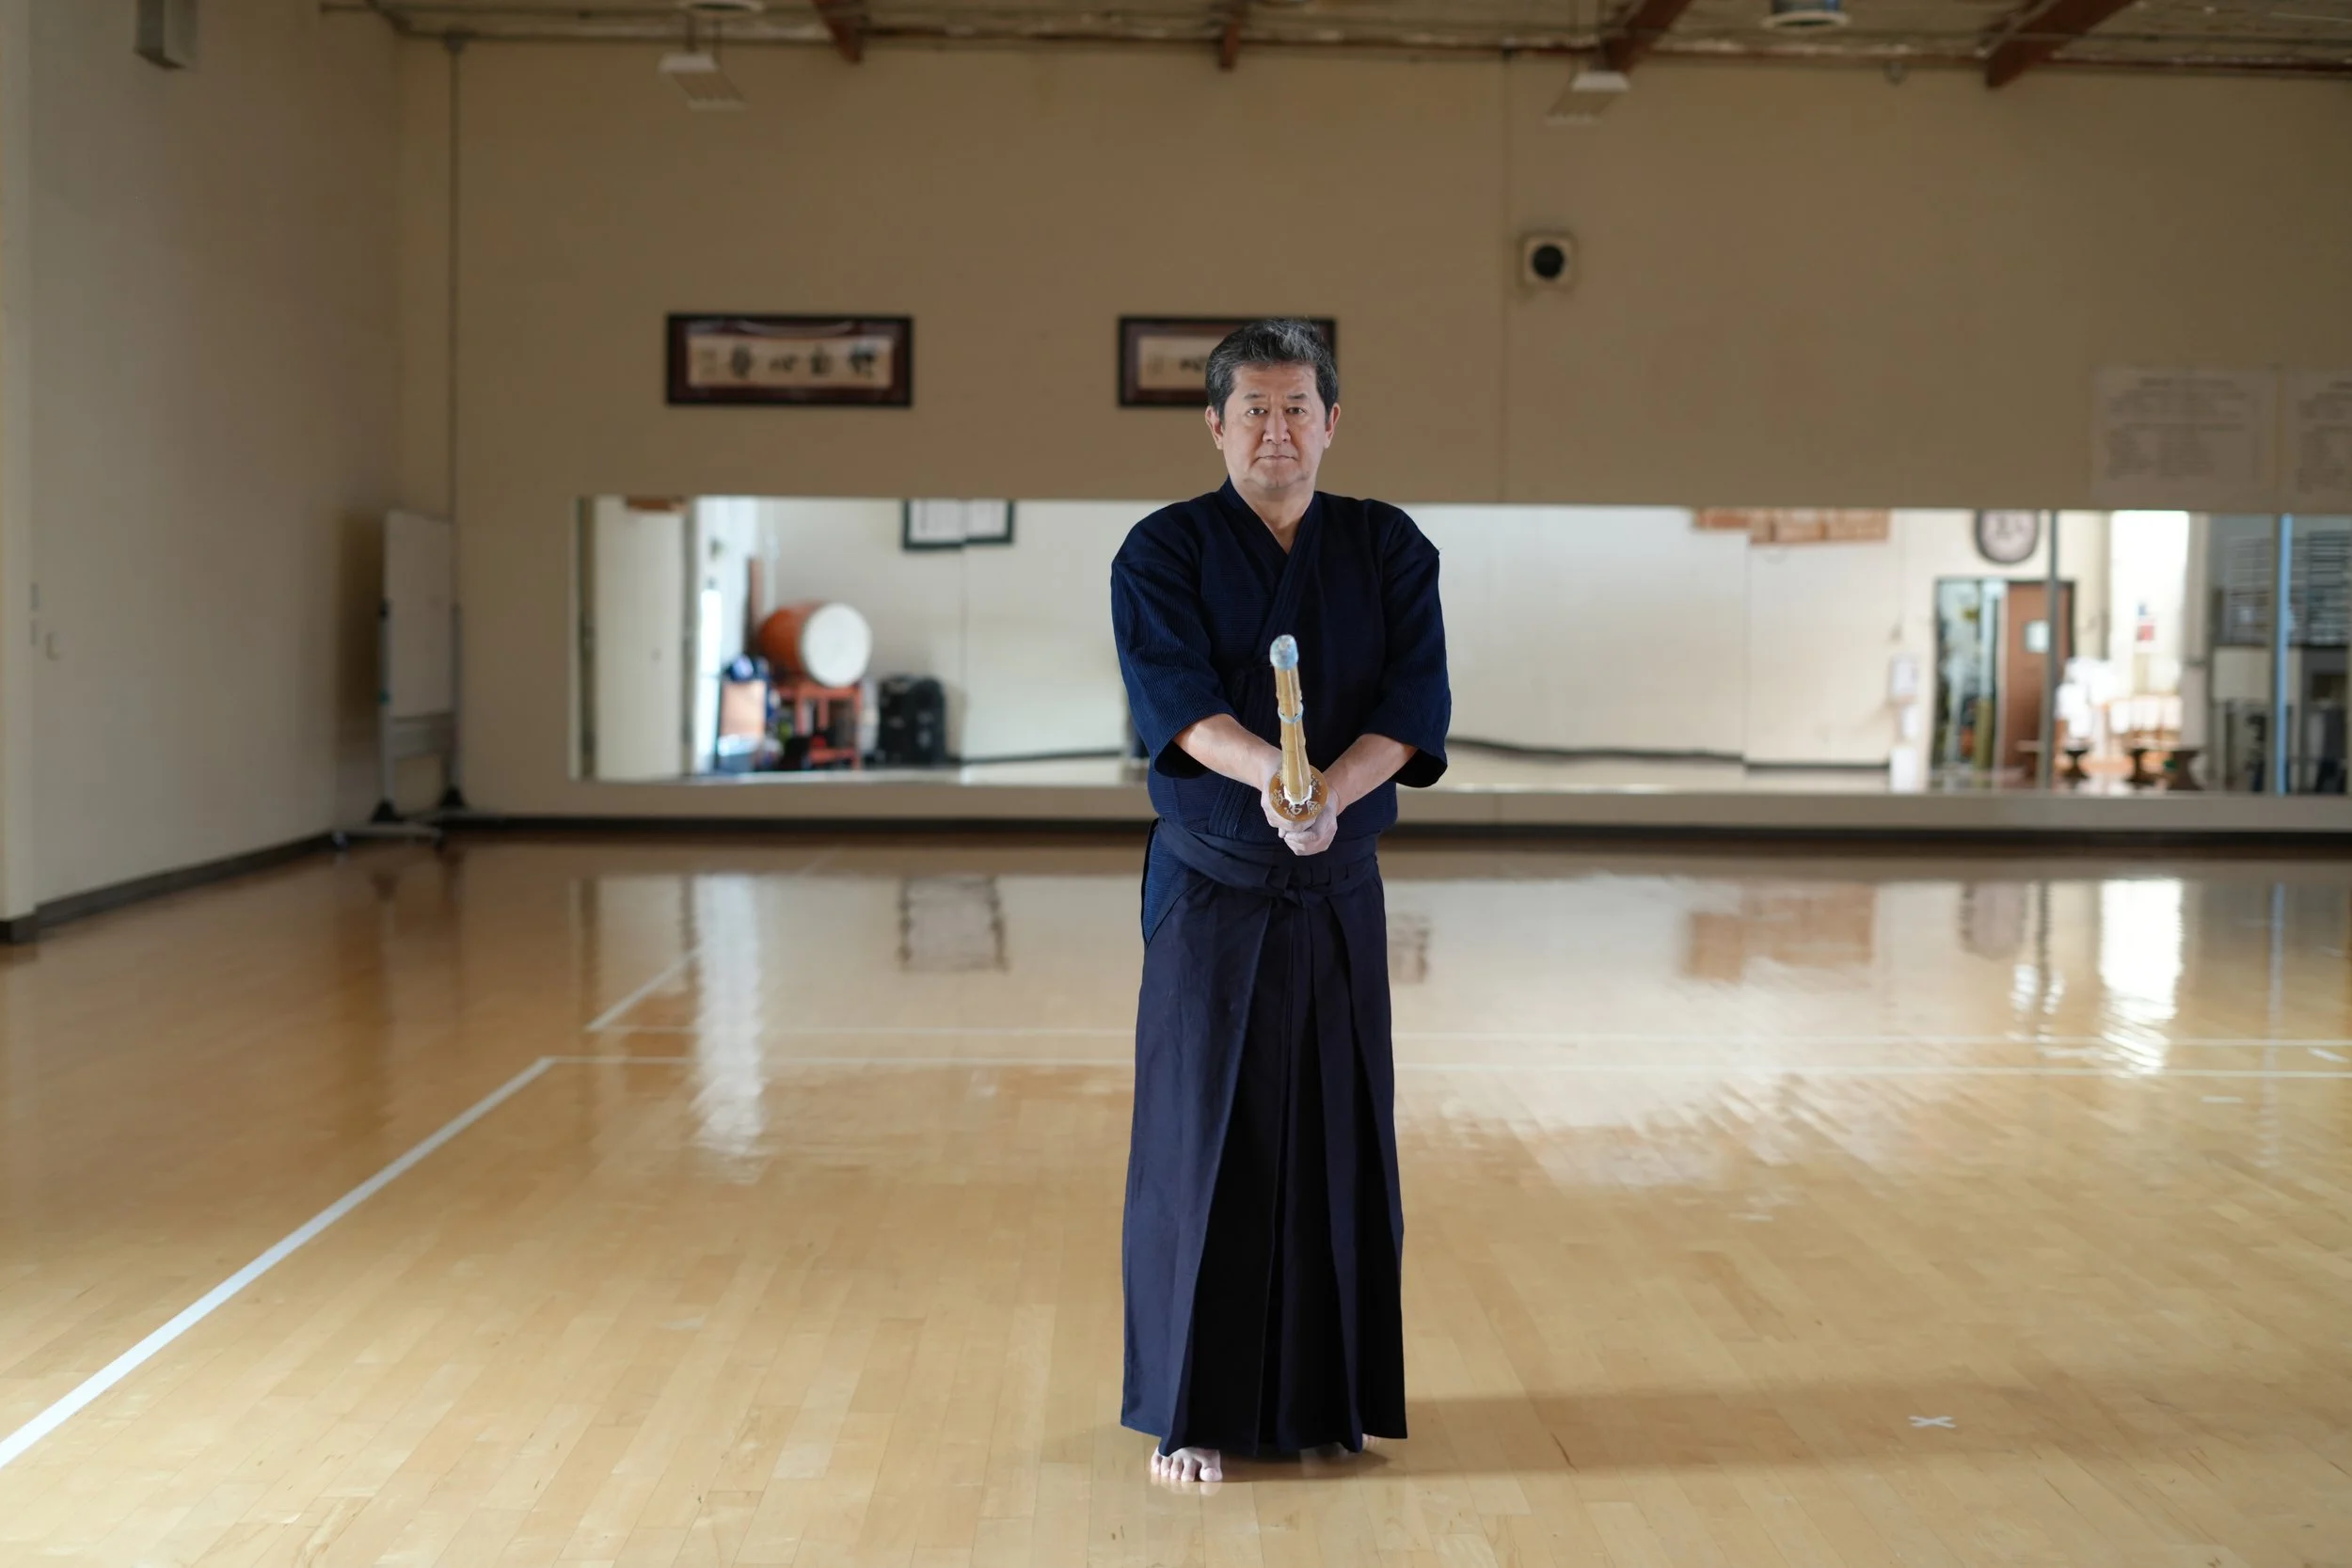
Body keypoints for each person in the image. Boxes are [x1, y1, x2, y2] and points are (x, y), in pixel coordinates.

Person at [1109, 318, 1452, 1484]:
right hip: (1213, 890)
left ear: (1332, 420)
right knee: (1201, 1136)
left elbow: (1411, 705)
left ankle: (1326, 1399)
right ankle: (1188, 1407)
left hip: (1337, 882)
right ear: (1214, 424)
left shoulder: (1388, 545)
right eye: (1252, 407)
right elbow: (1181, 706)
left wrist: (1330, 794)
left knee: (1336, 1130)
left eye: (1297, 405)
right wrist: (1278, 780)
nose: (1276, 427)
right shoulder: (1160, 551)